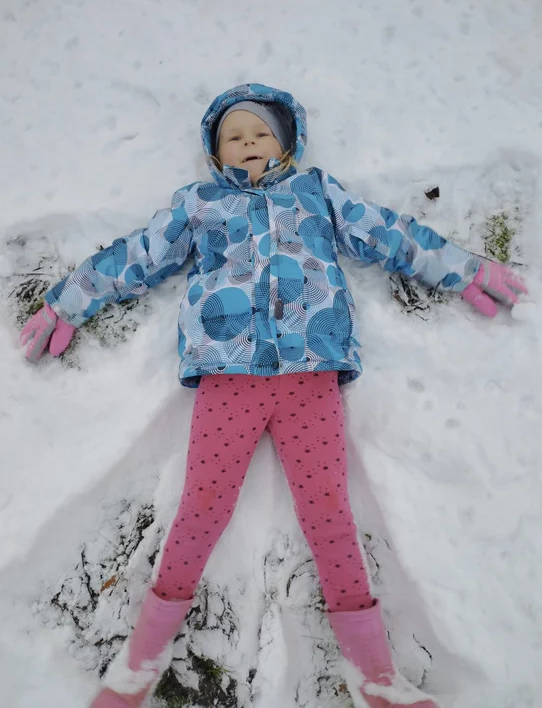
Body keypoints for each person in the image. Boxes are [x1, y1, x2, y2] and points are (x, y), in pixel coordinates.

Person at [20, 83, 527, 708]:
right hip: (228, 380)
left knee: (329, 516)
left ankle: (376, 675)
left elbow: (390, 234)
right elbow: (136, 256)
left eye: (260, 132)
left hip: (310, 376)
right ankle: (137, 664)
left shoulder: (316, 195)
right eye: (234, 135)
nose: (249, 143)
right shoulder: (199, 205)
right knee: (201, 509)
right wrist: (68, 300)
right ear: (215, 152)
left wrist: (466, 270)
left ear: (287, 142)